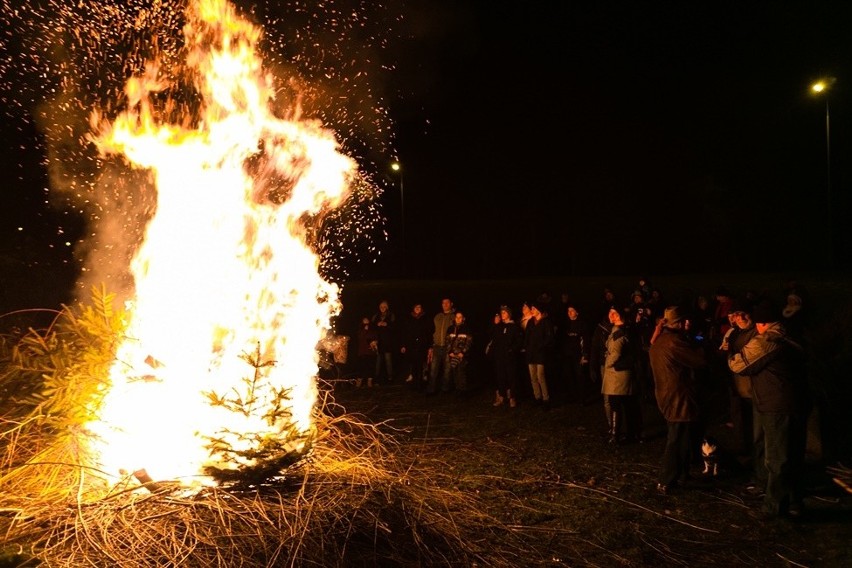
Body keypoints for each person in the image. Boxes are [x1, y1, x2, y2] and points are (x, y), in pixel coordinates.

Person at [728, 299, 810, 518]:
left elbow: (739, 364)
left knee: (776, 458)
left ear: (761, 323)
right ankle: (795, 502)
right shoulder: (791, 334)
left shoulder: (766, 341)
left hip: (776, 404)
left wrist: (730, 353)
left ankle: (774, 507)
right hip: (797, 401)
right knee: (793, 454)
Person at [648, 306, 708, 494]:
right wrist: (703, 347)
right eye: (684, 322)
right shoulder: (674, 342)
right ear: (679, 323)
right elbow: (700, 362)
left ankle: (681, 474)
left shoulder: (660, 341)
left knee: (682, 437)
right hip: (677, 396)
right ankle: (666, 480)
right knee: (676, 438)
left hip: (668, 394)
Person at [601, 306, 640, 442]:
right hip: (620, 372)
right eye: (610, 313)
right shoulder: (620, 330)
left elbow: (616, 353)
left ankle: (615, 434)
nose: (611, 316)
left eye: (615, 314)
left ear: (621, 316)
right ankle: (628, 433)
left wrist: (607, 364)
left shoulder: (619, 333)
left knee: (616, 403)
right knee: (625, 403)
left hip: (618, 373)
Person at [489, 305, 524, 407]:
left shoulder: (514, 327)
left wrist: (512, 350)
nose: (502, 314)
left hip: (509, 356)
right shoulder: (499, 326)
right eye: (501, 313)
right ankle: (501, 396)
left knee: (511, 376)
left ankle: (512, 397)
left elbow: (518, 341)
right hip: (499, 356)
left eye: (504, 312)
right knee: (500, 376)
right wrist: (495, 324)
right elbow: (493, 337)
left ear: (509, 314)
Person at [524, 301, 555, 409]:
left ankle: (546, 398)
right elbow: (527, 337)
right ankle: (537, 397)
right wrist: (527, 348)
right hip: (531, 354)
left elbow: (549, 338)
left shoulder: (545, 322)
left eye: (533, 308)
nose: (531, 311)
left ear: (538, 310)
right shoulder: (531, 322)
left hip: (540, 353)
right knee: (533, 377)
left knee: (540, 376)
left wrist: (541, 346)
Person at [558, 305, 591, 404]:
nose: (570, 313)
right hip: (567, 355)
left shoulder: (582, 324)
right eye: (568, 311)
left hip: (578, 355)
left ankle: (582, 397)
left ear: (577, 312)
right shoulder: (565, 325)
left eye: (572, 311)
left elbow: (586, 340)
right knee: (569, 375)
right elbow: (561, 340)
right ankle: (573, 396)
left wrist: (585, 355)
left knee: (579, 375)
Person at [426, 297, 456, 395]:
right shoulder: (437, 316)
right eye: (443, 303)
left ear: (451, 304)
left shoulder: (454, 316)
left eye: (447, 303)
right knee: (433, 369)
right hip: (437, 346)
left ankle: (445, 389)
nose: (445, 304)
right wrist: (431, 345)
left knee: (447, 369)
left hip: (448, 347)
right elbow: (431, 330)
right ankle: (431, 389)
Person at [399, 303, 432, 386]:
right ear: (413, 308)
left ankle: (420, 383)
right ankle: (414, 382)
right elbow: (404, 332)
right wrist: (403, 345)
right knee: (413, 364)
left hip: (422, 345)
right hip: (411, 345)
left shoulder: (426, 318)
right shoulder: (409, 318)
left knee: (421, 364)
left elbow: (429, 333)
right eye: (416, 307)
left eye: (419, 307)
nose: (417, 308)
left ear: (422, 309)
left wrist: (430, 345)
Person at [443, 310, 473, 394]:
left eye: (460, 317)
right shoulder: (450, 328)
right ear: (455, 318)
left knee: (461, 372)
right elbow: (447, 341)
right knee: (454, 371)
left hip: (461, 355)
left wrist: (463, 353)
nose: (458, 319)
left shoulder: (467, 328)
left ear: (463, 318)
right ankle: (456, 389)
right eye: (457, 317)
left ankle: (463, 391)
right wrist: (450, 352)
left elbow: (469, 342)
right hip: (452, 354)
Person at [370, 300, 397, 384]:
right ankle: (377, 378)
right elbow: (372, 327)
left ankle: (390, 378)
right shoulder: (376, 316)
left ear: (387, 307)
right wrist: (377, 325)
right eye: (381, 306)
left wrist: (386, 324)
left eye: (384, 306)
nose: (382, 308)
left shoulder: (391, 315)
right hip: (378, 341)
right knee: (378, 360)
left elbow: (395, 327)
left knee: (388, 360)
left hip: (387, 341)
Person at [354, 316, 378, 388]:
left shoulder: (373, 328)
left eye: (367, 319)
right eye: (364, 319)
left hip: (371, 351)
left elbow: (376, 337)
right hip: (362, 351)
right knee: (361, 367)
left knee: (370, 367)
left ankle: (369, 382)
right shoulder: (360, 329)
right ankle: (359, 382)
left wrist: (375, 342)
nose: (366, 320)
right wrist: (364, 330)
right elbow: (359, 337)